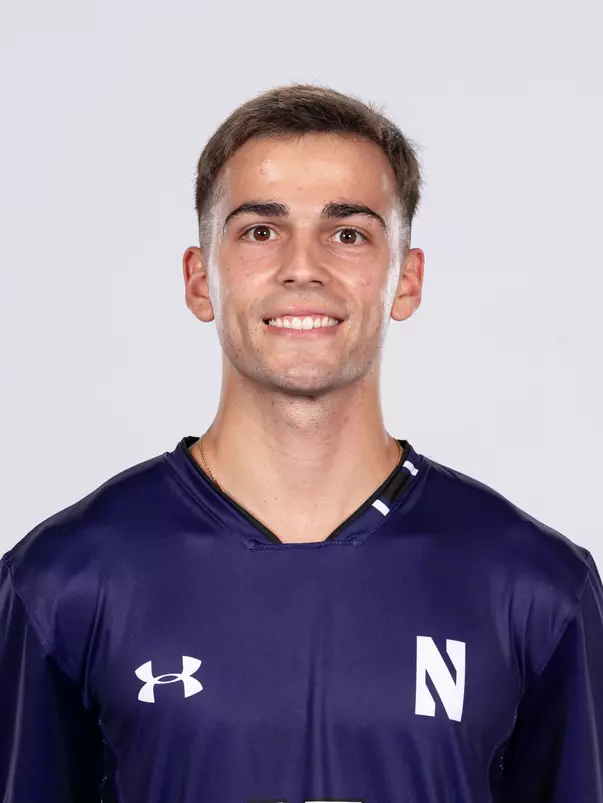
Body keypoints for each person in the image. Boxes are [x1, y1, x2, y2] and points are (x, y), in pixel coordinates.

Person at [1, 83, 601, 803]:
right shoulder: (64, 579)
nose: (302, 265)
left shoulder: (535, 586)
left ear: (404, 282)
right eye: (260, 230)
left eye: (347, 232)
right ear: (200, 280)